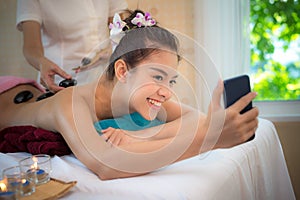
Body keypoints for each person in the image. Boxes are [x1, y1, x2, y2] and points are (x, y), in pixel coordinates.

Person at [0, 10, 258, 180]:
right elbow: (105, 165)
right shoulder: (72, 102)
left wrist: (137, 135)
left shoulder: (139, 98)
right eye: (157, 77)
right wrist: (208, 140)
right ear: (123, 70)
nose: (166, 92)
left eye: (171, 80)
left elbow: (195, 119)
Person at [16, 0, 128, 92]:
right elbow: (31, 47)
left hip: (107, 80)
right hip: (63, 83)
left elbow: (120, 29)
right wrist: (41, 62)